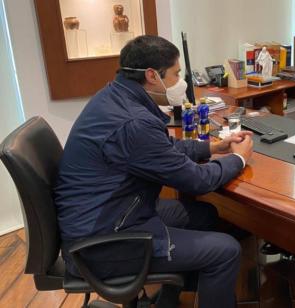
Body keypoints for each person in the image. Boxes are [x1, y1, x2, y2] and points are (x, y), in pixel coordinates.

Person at [54, 35, 253, 308]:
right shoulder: (134, 122)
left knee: (203, 214)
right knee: (227, 250)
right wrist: (239, 160)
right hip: (102, 243)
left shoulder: (114, 97)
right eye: (176, 73)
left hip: (105, 216)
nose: (180, 81)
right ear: (151, 76)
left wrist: (214, 148)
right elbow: (197, 180)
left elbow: (163, 148)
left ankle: (178, 295)